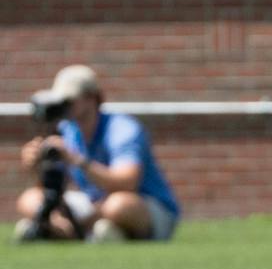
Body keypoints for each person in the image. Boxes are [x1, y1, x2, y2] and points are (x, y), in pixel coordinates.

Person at [14, 64, 179, 243]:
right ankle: (62, 230)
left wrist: (77, 160)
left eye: (69, 100)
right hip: (94, 204)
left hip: (145, 207)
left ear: (91, 98)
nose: (65, 106)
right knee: (29, 199)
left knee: (118, 205)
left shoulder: (122, 129)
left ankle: (78, 231)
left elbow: (127, 182)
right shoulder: (66, 130)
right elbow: (49, 188)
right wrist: (36, 165)